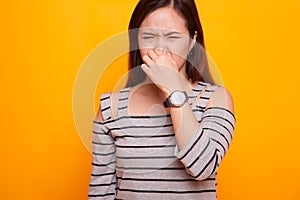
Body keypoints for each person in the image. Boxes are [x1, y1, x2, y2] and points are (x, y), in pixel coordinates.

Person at [88, 0, 236, 199]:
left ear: (193, 40)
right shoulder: (110, 108)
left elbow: (202, 167)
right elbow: (100, 192)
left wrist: (173, 88)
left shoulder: (215, 99)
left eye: (172, 36)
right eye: (148, 36)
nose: (160, 48)